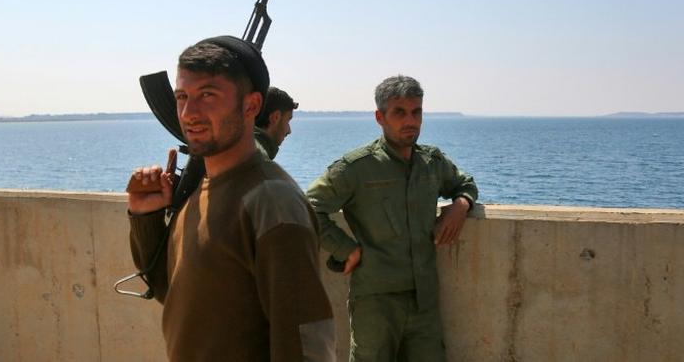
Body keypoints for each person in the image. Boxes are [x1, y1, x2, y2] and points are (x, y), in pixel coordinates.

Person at [126, 36, 335, 362]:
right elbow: (173, 293)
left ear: (251, 105)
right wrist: (146, 217)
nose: (188, 113)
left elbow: (305, 341)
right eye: (182, 96)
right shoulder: (205, 190)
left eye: (207, 95)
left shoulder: (271, 201)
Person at [306, 75, 478, 362]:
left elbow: (465, 183)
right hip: (375, 300)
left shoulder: (431, 163)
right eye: (399, 112)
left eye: (416, 112)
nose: (410, 121)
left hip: (424, 299)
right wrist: (345, 249)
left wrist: (461, 204)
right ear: (379, 117)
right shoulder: (358, 167)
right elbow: (309, 207)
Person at [254, 86, 299, 159]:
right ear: (275, 117)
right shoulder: (260, 162)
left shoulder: (239, 147)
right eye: (288, 120)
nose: (289, 131)